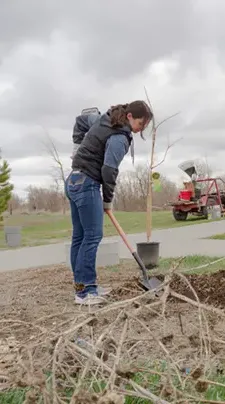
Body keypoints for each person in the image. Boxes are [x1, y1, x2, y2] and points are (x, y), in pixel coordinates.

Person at [67, 101, 153, 306]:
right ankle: (85, 291)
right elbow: (109, 171)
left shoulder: (104, 119)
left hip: (72, 180)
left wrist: (77, 150)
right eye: (141, 123)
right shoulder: (119, 137)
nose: (142, 128)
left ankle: (85, 286)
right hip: (87, 183)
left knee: (80, 237)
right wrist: (107, 200)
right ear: (130, 116)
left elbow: (80, 121)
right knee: (92, 236)